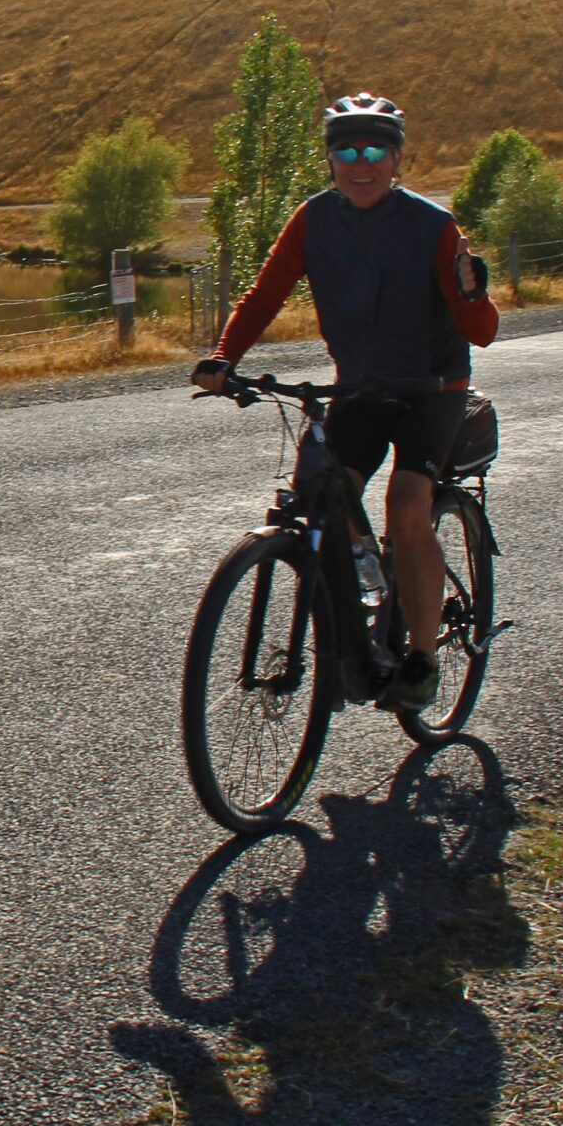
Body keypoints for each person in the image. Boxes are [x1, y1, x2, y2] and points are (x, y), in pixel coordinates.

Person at [191, 93, 498, 709]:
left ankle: (421, 655)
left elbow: (482, 331)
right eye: (347, 151)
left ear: (397, 158)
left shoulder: (433, 227)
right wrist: (225, 357)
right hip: (360, 387)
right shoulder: (313, 221)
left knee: (406, 505)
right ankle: (358, 604)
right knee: (320, 490)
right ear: (330, 159)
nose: (362, 164)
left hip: (431, 388)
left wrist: (470, 293)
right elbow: (266, 293)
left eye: (375, 151)